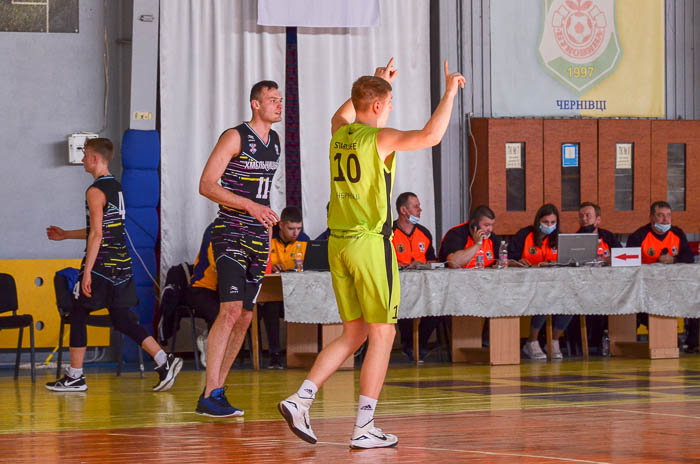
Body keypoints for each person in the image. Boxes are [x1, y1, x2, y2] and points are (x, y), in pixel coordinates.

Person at [279, 57, 465, 449]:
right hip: (368, 244)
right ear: (377, 106)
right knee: (384, 333)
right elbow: (432, 136)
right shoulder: (378, 139)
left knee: (355, 332)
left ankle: (302, 398)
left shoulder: (338, 134)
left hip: (338, 245)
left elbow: (339, 113)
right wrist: (450, 92)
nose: (392, 108)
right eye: (389, 101)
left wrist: (374, 82)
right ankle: (364, 426)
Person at [45, 138, 182, 392]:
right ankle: (164, 360)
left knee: (77, 312)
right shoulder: (115, 188)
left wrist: (86, 273)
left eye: (85, 155)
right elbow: (104, 229)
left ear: (96, 159)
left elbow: (97, 235)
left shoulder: (94, 191)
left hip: (102, 267)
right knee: (123, 319)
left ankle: (76, 375)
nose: (83, 159)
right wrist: (66, 234)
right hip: (121, 265)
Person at [197, 80, 283, 417]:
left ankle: (216, 391)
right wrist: (249, 206)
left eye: (280, 99)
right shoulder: (235, 136)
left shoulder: (274, 141)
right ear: (256, 104)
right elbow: (206, 184)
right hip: (231, 231)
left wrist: (260, 212)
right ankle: (210, 391)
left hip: (259, 236)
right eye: (272, 100)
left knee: (246, 315)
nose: (279, 104)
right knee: (230, 309)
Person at [627, 201, 695, 351]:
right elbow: (629, 262)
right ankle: (664, 336)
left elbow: (689, 257)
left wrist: (674, 259)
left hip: (674, 285)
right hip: (647, 287)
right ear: (651, 217)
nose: (665, 220)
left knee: (694, 297)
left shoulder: (677, 233)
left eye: (668, 216)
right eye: (660, 216)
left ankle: (693, 342)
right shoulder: (638, 236)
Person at [509, 203, 571, 360]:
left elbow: (567, 261)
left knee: (571, 299)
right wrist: (518, 262)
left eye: (552, 223)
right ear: (538, 221)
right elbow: (508, 259)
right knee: (544, 299)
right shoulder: (524, 235)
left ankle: (554, 340)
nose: (549, 226)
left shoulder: (559, 238)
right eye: (545, 222)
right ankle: (532, 341)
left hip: (554, 283)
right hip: (524, 284)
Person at [262, 206, 310, 368]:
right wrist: (273, 267)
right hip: (273, 293)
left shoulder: (304, 240)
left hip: (297, 293)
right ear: (281, 225)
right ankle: (275, 355)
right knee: (271, 306)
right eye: (291, 228)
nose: (295, 233)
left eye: (298, 228)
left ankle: (306, 353)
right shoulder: (268, 238)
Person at [392, 192, 437, 362]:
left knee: (438, 308)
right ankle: (408, 344)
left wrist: (421, 263)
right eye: (416, 206)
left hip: (423, 286)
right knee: (403, 306)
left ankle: (419, 344)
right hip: (398, 286)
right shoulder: (388, 232)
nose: (420, 209)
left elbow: (432, 260)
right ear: (403, 210)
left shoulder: (424, 232)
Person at [577, 202, 622, 352]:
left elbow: (622, 257)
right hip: (583, 288)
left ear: (598, 220)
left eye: (588, 216)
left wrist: (609, 260)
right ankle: (588, 343)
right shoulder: (573, 238)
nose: (584, 219)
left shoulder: (608, 237)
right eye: (581, 216)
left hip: (610, 286)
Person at [186, 221, 220, 368]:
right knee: (219, 312)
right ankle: (209, 345)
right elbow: (218, 265)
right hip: (201, 288)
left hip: (220, 289)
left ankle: (210, 337)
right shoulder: (215, 230)